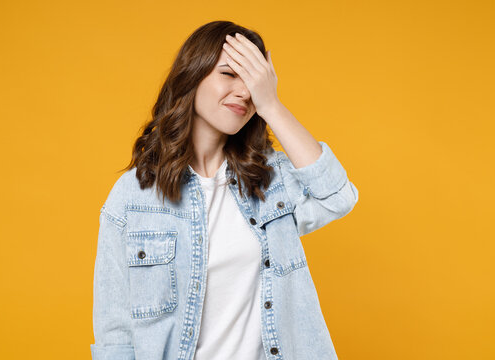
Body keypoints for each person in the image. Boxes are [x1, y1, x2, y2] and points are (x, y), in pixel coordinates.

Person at [90, 20, 359, 360]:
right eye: (230, 74)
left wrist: (272, 105)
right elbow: (115, 333)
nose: (244, 92)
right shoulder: (133, 198)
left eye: (253, 82)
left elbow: (338, 195)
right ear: (193, 75)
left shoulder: (269, 179)